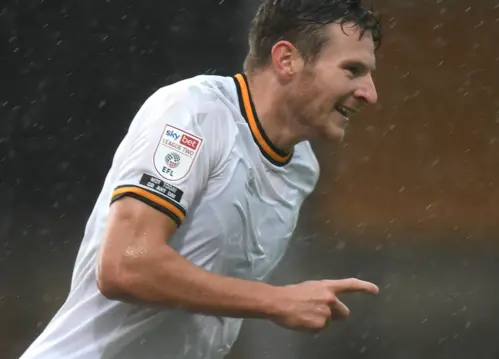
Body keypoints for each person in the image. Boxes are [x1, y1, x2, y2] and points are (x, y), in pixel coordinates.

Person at [20, 0, 382, 358]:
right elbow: (125, 266)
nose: (370, 93)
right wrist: (277, 299)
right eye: (352, 70)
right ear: (287, 60)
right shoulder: (193, 113)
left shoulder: (302, 167)